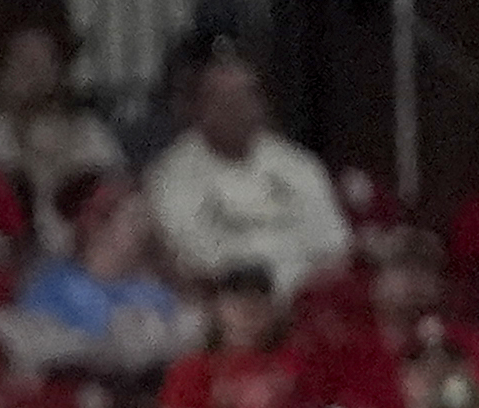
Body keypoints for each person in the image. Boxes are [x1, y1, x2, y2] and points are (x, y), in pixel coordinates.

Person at [141, 53, 351, 296]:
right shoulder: (171, 176)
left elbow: (336, 251)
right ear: (198, 108)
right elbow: (184, 266)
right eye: (225, 101)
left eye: (246, 97)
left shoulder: (298, 165)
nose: (238, 110)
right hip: (223, 305)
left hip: (305, 305)